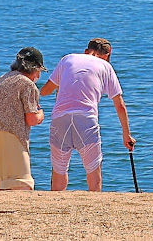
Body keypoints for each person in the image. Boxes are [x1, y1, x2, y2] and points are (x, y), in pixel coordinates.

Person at [40, 38, 135, 192]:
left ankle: (56, 206)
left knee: (59, 170)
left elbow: (45, 91)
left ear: (86, 51)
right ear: (107, 55)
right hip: (86, 119)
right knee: (93, 171)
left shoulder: (67, 59)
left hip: (60, 119)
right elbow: (120, 105)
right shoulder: (106, 66)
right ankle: (95, 205)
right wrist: (126, 135)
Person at [0, 47, 46, 190]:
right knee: (20, 184)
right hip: (11, 133)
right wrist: (41, 114)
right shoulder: (28, 84)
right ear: (35, 69)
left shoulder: (3, 78)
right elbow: (31, 119)